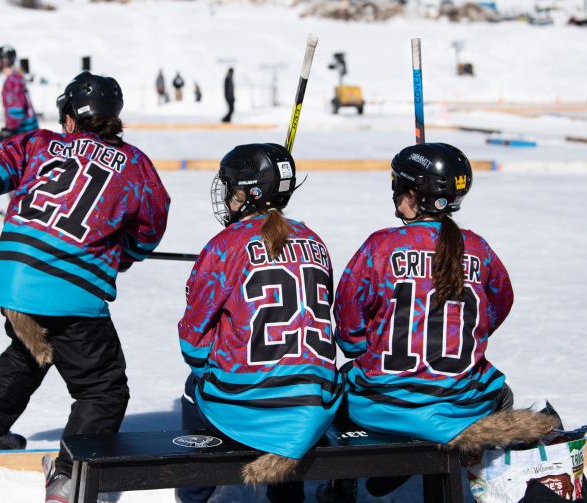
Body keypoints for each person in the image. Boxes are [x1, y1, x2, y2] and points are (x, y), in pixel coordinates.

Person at [0, 71, 170, 503]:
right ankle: (69, 476)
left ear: (70, 117)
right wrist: (124, 254)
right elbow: (152, 223)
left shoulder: (39, 143)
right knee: (103, 388)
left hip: (12, 277)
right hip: (70, 288)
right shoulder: (135, 166)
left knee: (34, 342)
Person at [333, 142, 555, 496]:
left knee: (339, 388)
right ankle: (458, 457)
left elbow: (348, 328)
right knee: (501, 392)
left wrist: (369, 347)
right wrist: (461, 339)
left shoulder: (380, 246)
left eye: (396, 184)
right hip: (462, 405)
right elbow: (498, 304)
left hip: (384, 408)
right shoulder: (478, 248)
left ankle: (348, 482)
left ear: (411, 194)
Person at [177, 143, 342, 503]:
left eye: (232, 188)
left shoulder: (225, 245)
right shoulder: (315, 240)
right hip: (313, 406)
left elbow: (193, 342)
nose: (227, 197)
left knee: (194, 387)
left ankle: (193, 493)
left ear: (249, 192)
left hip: (251, 408)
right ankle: (287, 495)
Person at [0, 45, 39, 141]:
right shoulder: (15, 78)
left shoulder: (12, 81)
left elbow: (17, 109)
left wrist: (10, 130)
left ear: (5, 60)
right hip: (27, 133)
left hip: (24, 134)